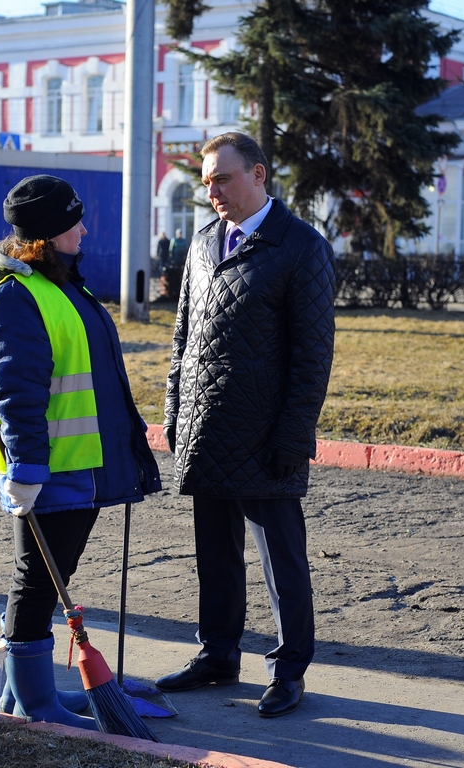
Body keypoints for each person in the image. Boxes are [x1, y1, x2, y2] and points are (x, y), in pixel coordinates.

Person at [156, 132, 335, 719]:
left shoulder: (301, 246)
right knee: (215, 555)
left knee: (281, 560)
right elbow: (184, 338)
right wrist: (175, 414)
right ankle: (218, 654)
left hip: (265, 437)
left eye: (222, 178)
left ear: (258, 175)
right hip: (208, 430)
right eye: (205, 181)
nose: (211, 191)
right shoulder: (205, 243)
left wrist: (294, 432)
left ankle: (288, 670)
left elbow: (313, 354)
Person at [0, 174, 162, 729]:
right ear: (50, 234)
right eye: (73, 221)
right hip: (49, 470)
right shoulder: (17, 297)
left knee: (45, 575)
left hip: (74, 466)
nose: (83, 229)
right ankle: (36, 704)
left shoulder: (58, 286)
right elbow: (16, 391)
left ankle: (19, 692)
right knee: (37, 580)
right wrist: (27, 469)